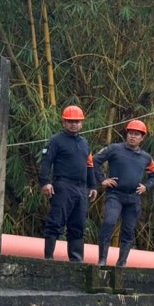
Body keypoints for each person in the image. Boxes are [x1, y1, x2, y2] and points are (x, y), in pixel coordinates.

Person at [93, 119, 154, 267]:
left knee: (128, 231)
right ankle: (102, 260)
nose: (133, 137)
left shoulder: (146, 157)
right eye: (130, 133)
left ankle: (121, 263)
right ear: (126, 134)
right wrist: (102, 180)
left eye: (136, 134)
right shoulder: (114, 149)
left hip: (133, 198)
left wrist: (146, 186)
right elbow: (94, 161)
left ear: (142, 138)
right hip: (115, 195)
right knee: (108, 223)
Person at [39, 105, 97, 262]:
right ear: (64, 122)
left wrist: (92, 186)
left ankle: (76, 261)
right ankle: (49, 258)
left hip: (81, 188)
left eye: (77, 121)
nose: (74, 124)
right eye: (70, 121)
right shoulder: (56, 140)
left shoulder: (84, 142)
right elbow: (46, 162)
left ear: (82, 123)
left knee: (78, 225)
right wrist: (45, 182)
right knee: (56, 222)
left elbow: (90, 164)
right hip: (63, 185)